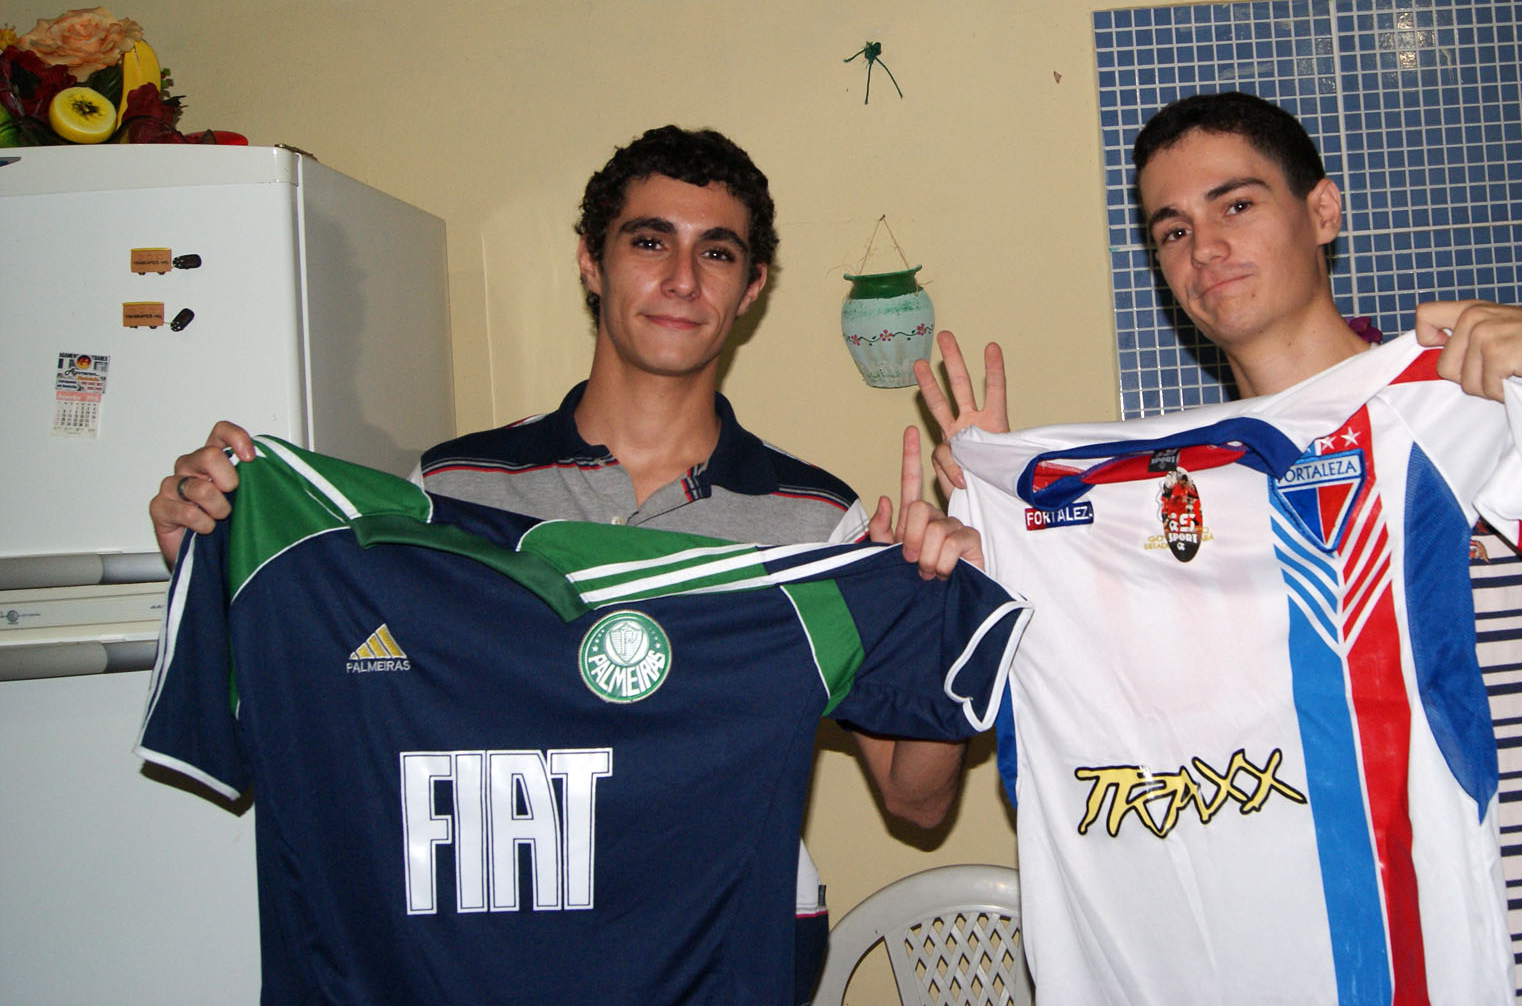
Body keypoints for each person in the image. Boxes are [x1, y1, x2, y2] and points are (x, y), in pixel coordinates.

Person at [914, 90, 1522, 1006]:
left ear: (1323, 212)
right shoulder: (1167, 500)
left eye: (1236, 205)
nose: (1205, 249)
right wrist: (1009, 531)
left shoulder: (1480, 408)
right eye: (1172, 231)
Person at [148, 124, 975, 1006]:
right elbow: (345, 702)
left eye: (717, 253)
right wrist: (221, 560)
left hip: (714, 963)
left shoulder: (813, 520)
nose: (682, 279)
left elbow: (917, 803)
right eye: (649, 242)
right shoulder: (450, 488)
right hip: (486, 960)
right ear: (591, 261)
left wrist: (940, 612)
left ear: (751, 287)